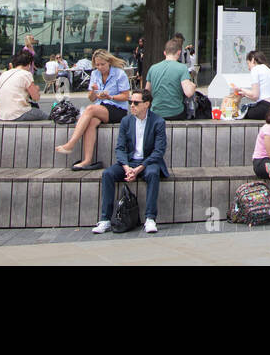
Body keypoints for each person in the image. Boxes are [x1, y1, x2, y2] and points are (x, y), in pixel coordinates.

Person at [92, 87, 167, 234]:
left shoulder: (158, 121)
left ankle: (150, 218)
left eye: (136, 103)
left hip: (148, 162)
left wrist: (139, 168)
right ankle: (105, 219)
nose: (132, 105)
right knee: (108, 174)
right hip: (129, 162)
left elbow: (159, 151)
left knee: (153, 173)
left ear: (146, 104)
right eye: (130, 102)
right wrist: (127, 167)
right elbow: (120, 148)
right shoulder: (126, 121)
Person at [56, 49, 131, 170]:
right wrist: (93, 91)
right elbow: (91, 98)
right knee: (91, 122)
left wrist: (110, 97)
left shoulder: (119, 73)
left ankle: (71, 143)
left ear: (109, 62)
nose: (100, 67)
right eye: (97, 65)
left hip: (117, 108)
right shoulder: (95, 74)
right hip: (100, 106)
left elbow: (126, 96)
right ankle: (87, 160)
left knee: (90, 109)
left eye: (103, 64)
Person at [143, 36, 196, 121]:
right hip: (176, 113)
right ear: (179, 53)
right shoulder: (182, 68)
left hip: (155, 113)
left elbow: (147, 92)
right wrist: (193, 86)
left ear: (165, 53)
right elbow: (189, 93)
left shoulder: (153, 68)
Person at [0, 51, 46, 121]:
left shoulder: (3, 74)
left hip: (2, 115)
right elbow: (36, 97)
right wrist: (36, 89)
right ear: (29, 64)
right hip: (18, 114)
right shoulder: (25, 74)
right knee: (46, 116)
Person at [234, 50, 270, 121]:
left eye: (248, 63)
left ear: (253, 60)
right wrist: (245, 94)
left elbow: (255, 95)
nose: (248, 68)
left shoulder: (255, 69)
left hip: (265, 109)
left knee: (242, 112)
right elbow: (259, 96)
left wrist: (241, 89)